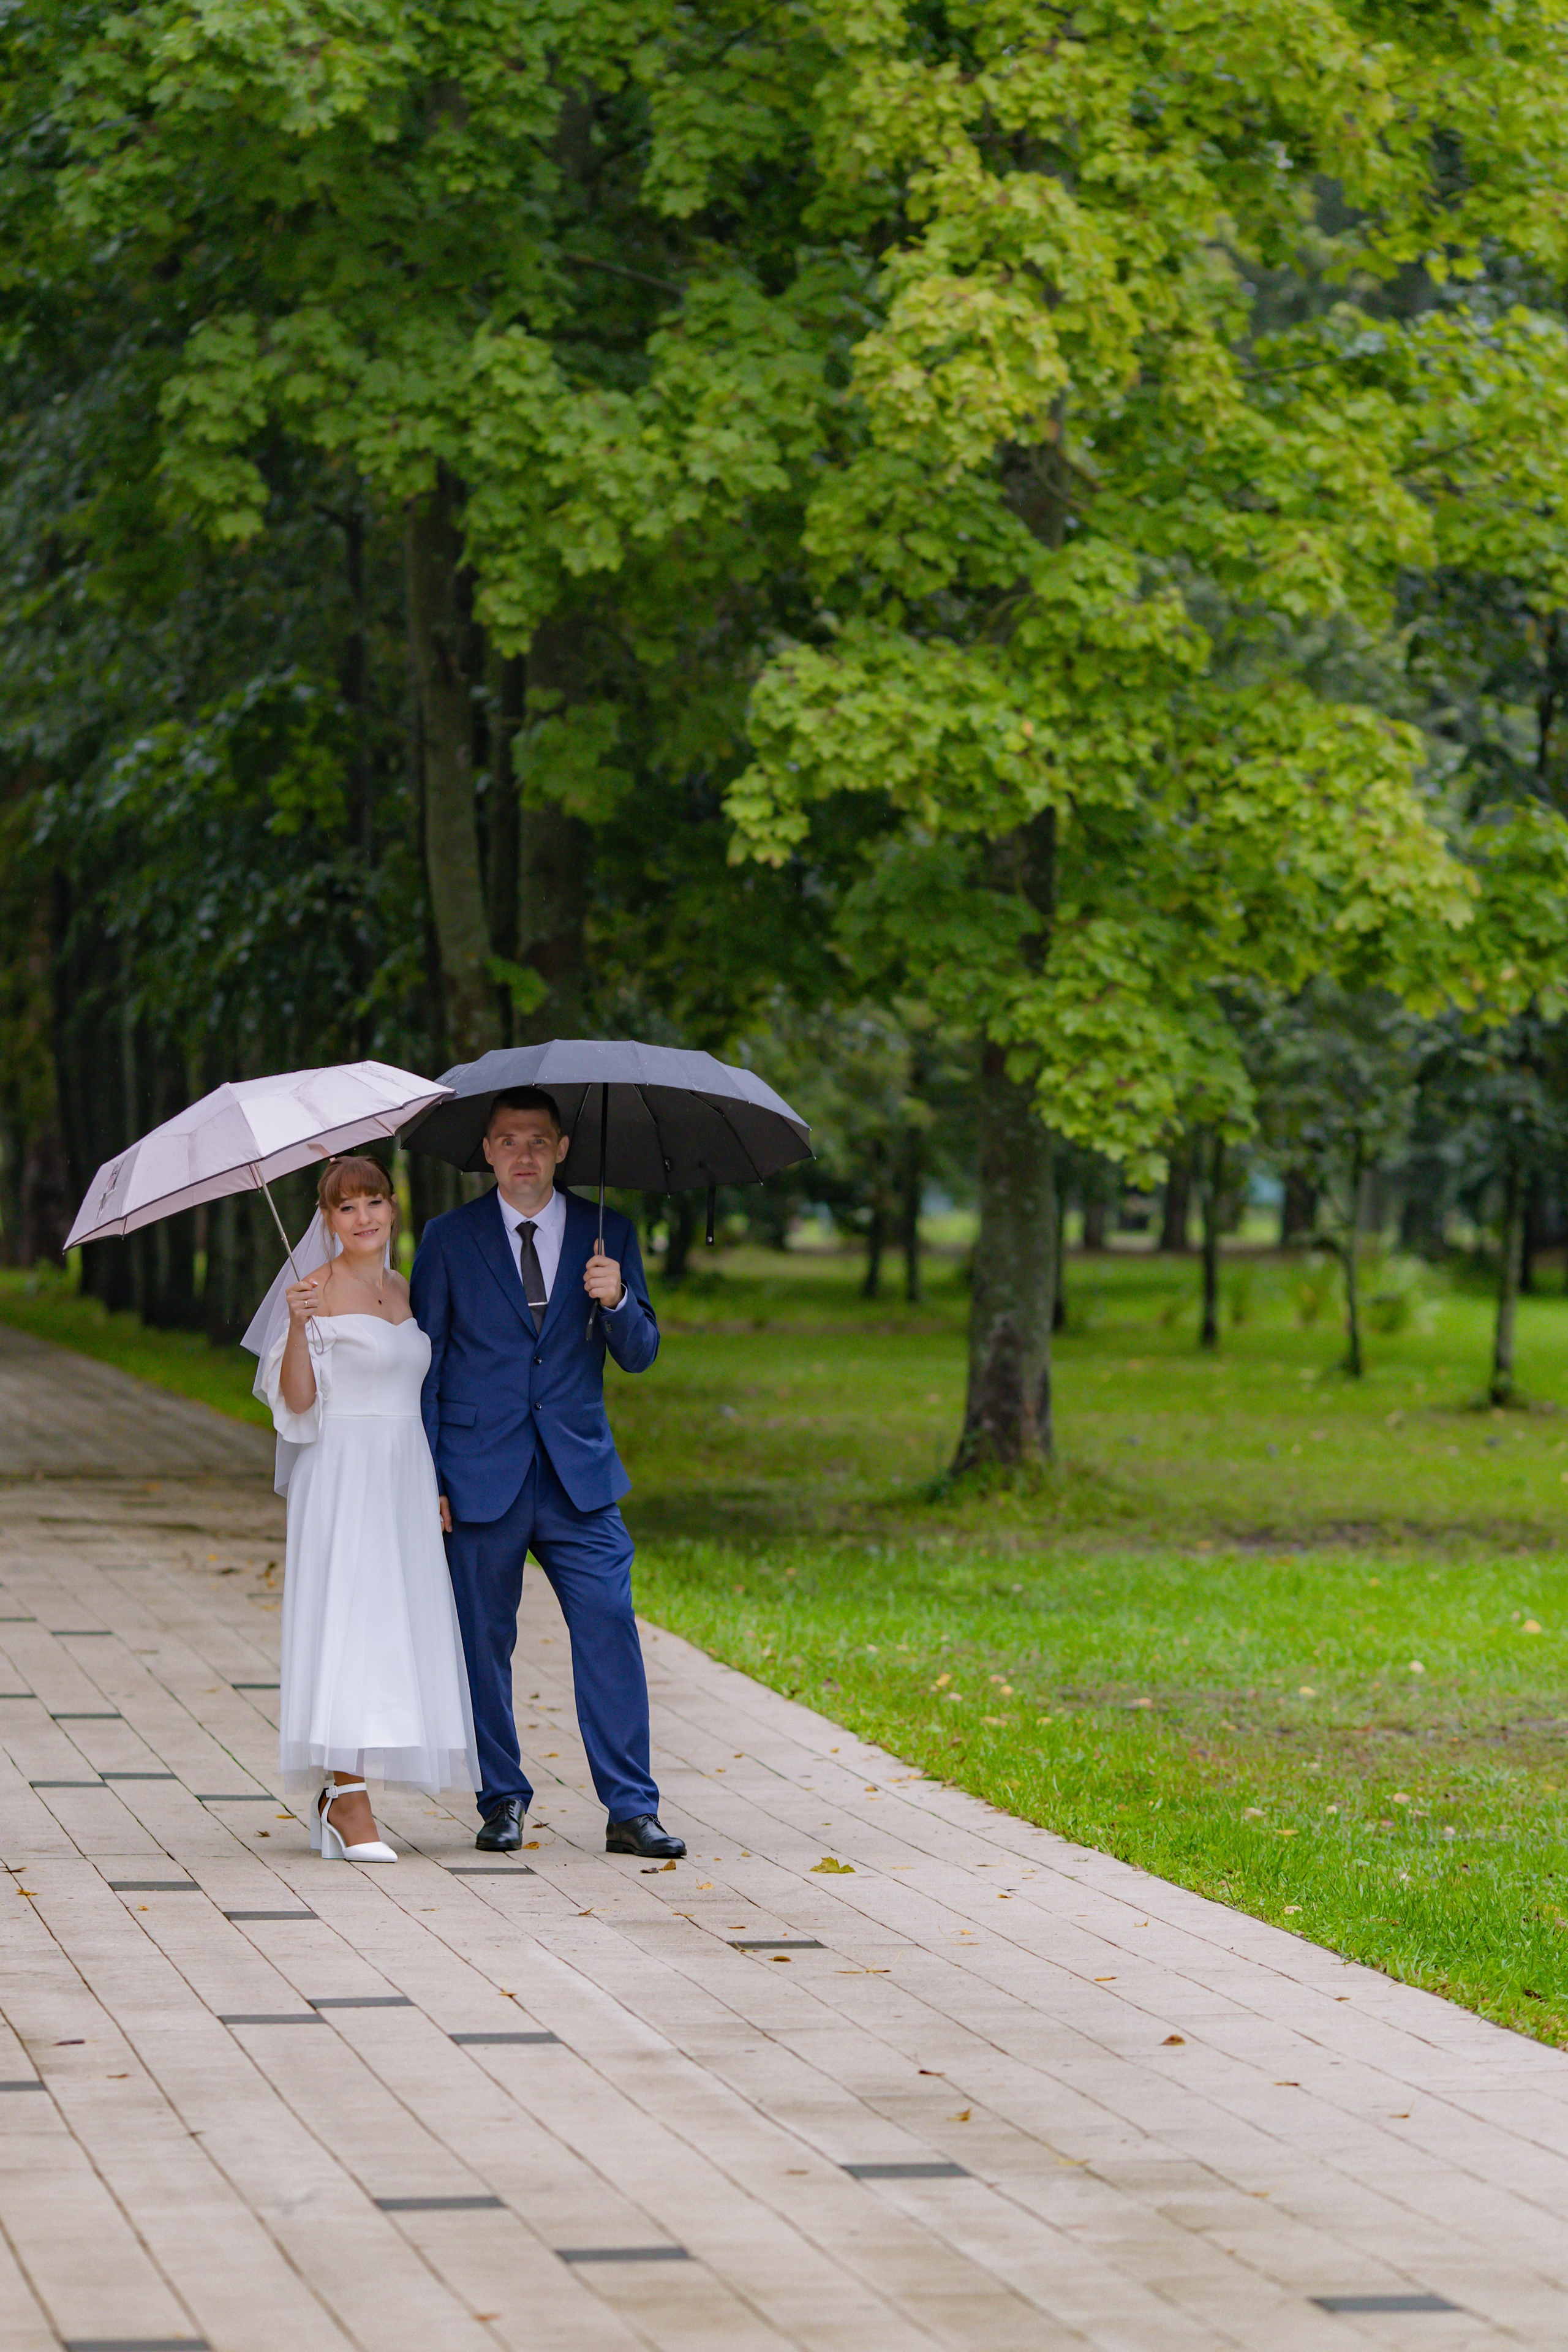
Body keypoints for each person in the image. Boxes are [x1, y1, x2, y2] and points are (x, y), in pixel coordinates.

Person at [409, 1087, 682, 1859]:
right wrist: (426, 1478)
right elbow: (424, 1368)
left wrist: (619, 1297)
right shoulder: (448, 1238)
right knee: (481, 1643)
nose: (521, 1154)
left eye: (536, 1140)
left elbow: (641, 1353)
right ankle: (501, 1799)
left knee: (608, 1629)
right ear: (487, 1152)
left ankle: (631, 1809)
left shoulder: (610, 1233)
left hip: (579, 1478)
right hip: (476, 1475)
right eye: (506, 1141)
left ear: (563, 1149)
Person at [252, 1156, 478, 1861]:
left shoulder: (402, 1288)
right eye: (346, 1208)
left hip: (404, 1471)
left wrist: (435, 1482)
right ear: (327, 1220)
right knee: (347, 1617)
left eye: (374, 1202)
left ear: (392, 1209)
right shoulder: (312, 1292)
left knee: (392, 1621)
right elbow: (296, 1403)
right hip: (343, 1470)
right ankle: (346, 1794)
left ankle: (341, 1790)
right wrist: (295, 1328)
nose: (363, 1217)